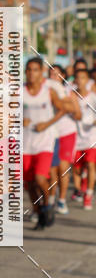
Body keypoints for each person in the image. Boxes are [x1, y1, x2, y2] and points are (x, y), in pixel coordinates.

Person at [23, 57, 69, 229]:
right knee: (29, 184)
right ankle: (39, 210)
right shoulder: (20, 91)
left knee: (40, 178)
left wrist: (47, 124)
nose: (31, 73)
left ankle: (48, 203)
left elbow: (63, 109)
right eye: (28, 69)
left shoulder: (48, 91)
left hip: (45, 142)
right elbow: (7, 113)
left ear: (41, 72)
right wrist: (20, 120)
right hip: (26, 144)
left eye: (35, 70)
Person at [48, 64, 80, 214]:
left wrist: (66, 105)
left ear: (63, 77)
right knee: (51, 169)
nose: (53, 77)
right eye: (51, 74)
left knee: (63, 167)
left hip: (67, 133)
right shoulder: (44, 91)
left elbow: (78, 114)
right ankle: (51, 198)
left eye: (57, 75)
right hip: (50, 134)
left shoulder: (69, 92)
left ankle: (61, 200)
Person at [71, 64, 96, 210]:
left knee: (92, 165)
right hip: (76, 139)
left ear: (87, 80)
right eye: (77, 78)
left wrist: (92, 122)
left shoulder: (93, 97)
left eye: (83, 78)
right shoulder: (72, 97)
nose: (80, 81)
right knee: (77, 170)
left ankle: (88, 196)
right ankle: (82, 186)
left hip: (92, 137)